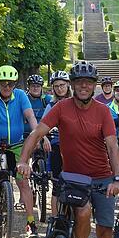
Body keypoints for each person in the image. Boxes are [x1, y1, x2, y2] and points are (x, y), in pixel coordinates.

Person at [19, 61, 119, 238]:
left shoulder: (102, 112)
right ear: (72, 86)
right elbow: (36, 134)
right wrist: (23, 160)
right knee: (82, 211)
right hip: (74, 177)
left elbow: (112, 147)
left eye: (88, 83)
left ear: (94, 85)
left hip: (101, 178)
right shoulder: (61, 107)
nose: (84, 87)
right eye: (79, 83)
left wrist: (117, 179)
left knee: (105, 233)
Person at [0, 65, 49, 238]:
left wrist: (40, 136)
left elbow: (30, 117)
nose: (7, 87)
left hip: (16, 144)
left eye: (10, 84)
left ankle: (31, 223)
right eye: (3, 83)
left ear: (15, 84)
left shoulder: (21, 96)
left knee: (23, 181)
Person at [44, 70, 72, 217]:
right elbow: (41, 127)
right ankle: (54, 220)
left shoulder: (76, 102)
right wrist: (45, 138)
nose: (60, 88)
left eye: (62, 85)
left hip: (75, 148)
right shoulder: (51, 105)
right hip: (57, 145)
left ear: (68, 85)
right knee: (57, 184)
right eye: (56, 86)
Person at [24, 74, 52, 139]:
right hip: (25, 134)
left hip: (43, 134)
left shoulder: (46, 99)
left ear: (41, 87)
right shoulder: (24, 99)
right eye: (33, 86)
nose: (35, 88)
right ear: (29, 87)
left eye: (38, 86)